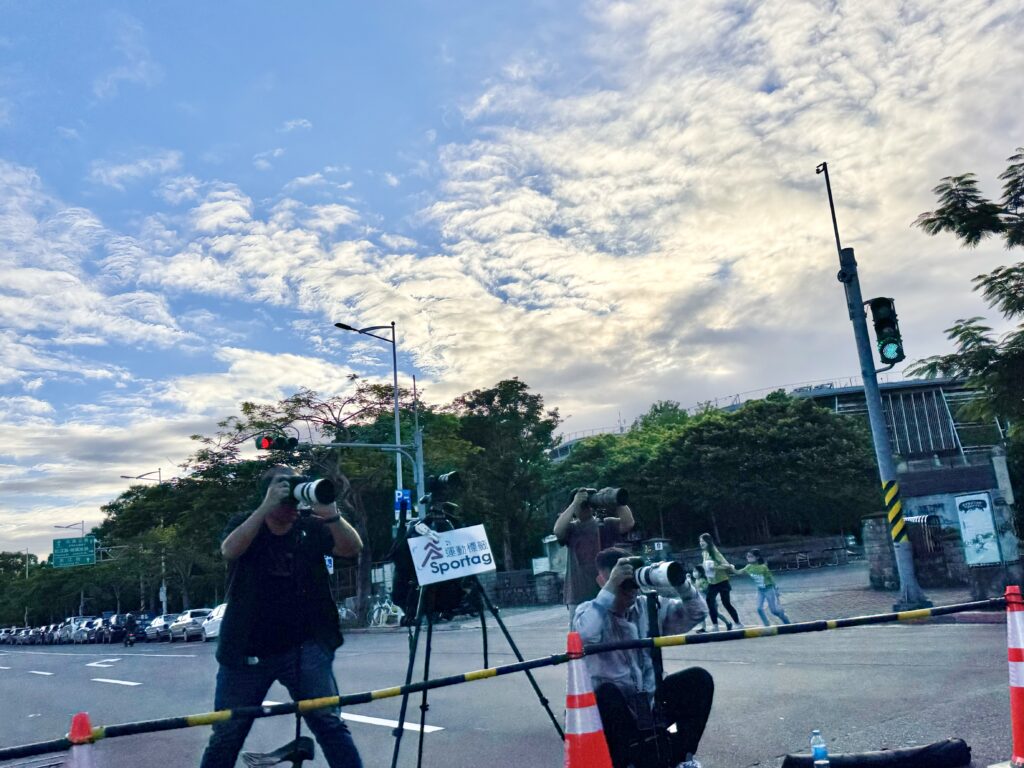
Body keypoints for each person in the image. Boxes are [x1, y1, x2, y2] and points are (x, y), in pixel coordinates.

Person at [200, 465, 364, 768]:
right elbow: (229, 550)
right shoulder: (246, 525)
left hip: (305, 647)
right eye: (282, 491)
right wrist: (265, 507)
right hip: (246, 651)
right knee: (228, 731)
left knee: (329, 722)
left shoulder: (311, 527)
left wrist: (329, 511)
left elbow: (351, 547)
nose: (289, 505)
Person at [574, 548, 713, 768]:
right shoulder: (589, 610)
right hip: (615, 712)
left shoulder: (648, 606)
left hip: (651, 701)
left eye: (632, 584)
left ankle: (680, 756)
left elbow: (697, 613)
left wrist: (680, 583)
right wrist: (612, 585)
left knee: (698, 679)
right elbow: (585, 634)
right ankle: (625, 763)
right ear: (602, 580)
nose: (630, 591)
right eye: (622, 584)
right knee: (606, 695)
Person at [554, 488, 635, 619]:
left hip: (608, 590)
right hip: (579, 594)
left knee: (613, 633)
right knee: (582, 637)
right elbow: (557, 530)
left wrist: (615, 498)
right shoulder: (571, 528)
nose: (586, 506)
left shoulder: (605, 524)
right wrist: (575, 503)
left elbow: (628, 522)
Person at [730, 548, 791, 626]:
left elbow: (771, 578)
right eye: (747, 556)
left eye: (751, 556)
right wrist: (730, 567)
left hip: (769, 590)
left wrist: (776, 590)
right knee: (759, 609)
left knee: (774, 611)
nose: (748, 558)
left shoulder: (763, 567)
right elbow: (738, 572)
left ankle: (786, 621)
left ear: (757, 557)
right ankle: (767, 625)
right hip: (760, 590)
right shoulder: (748, 567)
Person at [698, 533, 743, 631]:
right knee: (709, 601)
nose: (701, 543)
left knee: (726, 603)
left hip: (722, 581)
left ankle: (738, 623)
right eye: (700, 541)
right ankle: (715, 625)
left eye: (703, 541)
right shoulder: (704, 553)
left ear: (708, 542)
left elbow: (727, 565)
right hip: (712, 582)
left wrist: (715, 567)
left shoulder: (714, 552)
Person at [689, 565, 710, 634]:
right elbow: (694, 587)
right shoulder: (697, 580)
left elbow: (704, 589)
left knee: (715, 613)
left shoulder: (703, 580)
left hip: (706, 599)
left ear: (700, 573)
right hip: (701, 600)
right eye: (693, 571)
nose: (694, 573)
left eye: (695, 571)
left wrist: (698, 589)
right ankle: (703, 628)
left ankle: (728, 623)